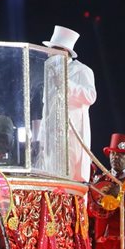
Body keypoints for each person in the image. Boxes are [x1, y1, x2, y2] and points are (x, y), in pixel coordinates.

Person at [40, 26, 97, 182]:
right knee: (51, 174)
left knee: (70, 175)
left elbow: (90, 97)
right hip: (51, 135)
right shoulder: (50, 73)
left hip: (71, 134)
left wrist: (66, 83)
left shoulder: (82, 71)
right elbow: (47, 108)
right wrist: (41, 136)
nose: (48, 53)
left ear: (63, 52)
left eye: (52, 50)